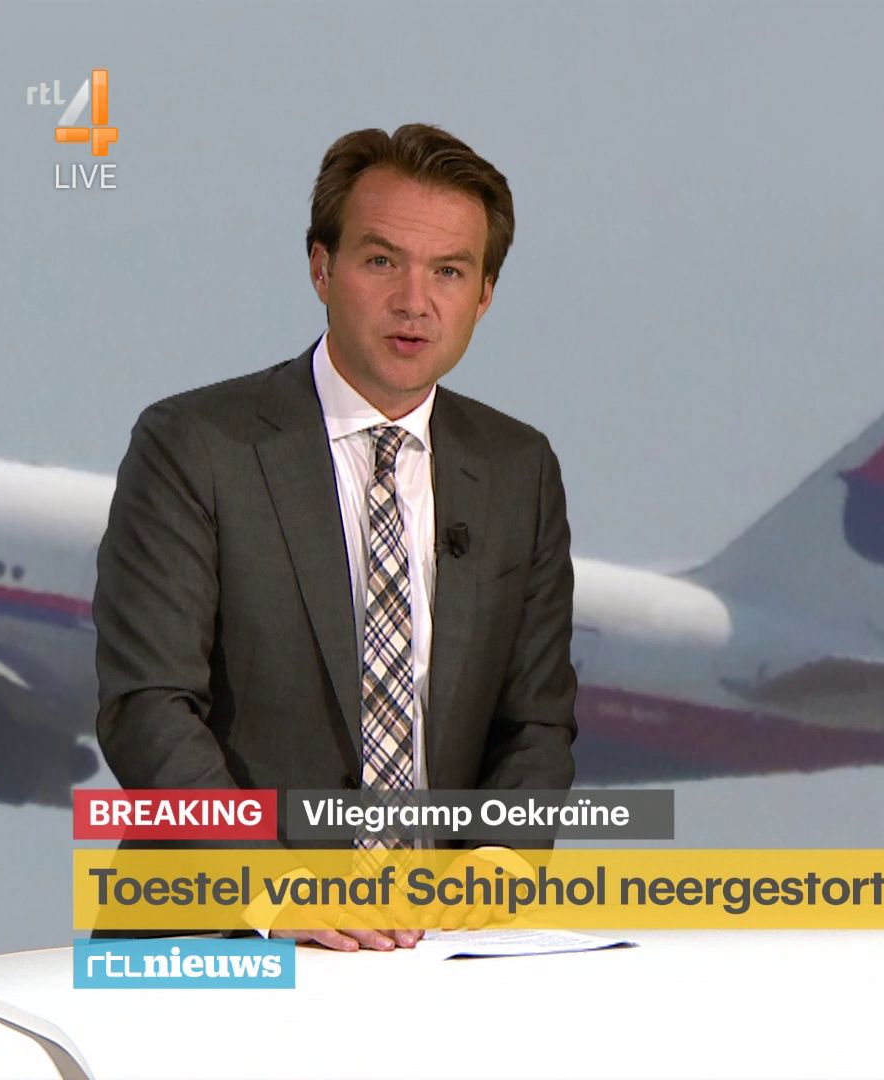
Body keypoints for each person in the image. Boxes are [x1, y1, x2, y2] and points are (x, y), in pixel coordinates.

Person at [94, 124, 577, 952]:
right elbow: (149, 706)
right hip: (222, 944)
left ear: (485, 295)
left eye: (449, 271)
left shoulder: (517, 468)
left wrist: (497, 860)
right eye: (382, 261)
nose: (414, 301)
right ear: (321, 268)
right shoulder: (195, 445)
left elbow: (536, 722)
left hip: (438, 955)